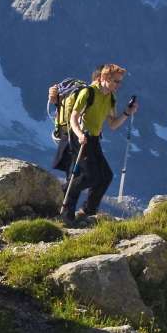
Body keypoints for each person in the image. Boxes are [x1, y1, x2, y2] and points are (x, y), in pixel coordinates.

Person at [60, 64, 138, 224]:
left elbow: (113, 124)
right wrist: (80, 134)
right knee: (89, 176)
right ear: (104, 78)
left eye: (120, 82)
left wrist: (126, 113)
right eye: (116, 81)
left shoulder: (110, 97)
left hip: (93, 139)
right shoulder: (88, 93)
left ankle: (87, 210)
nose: (118, 85)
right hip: (79, 137)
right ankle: (64, 197)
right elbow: (74, 118)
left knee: (106, 176)